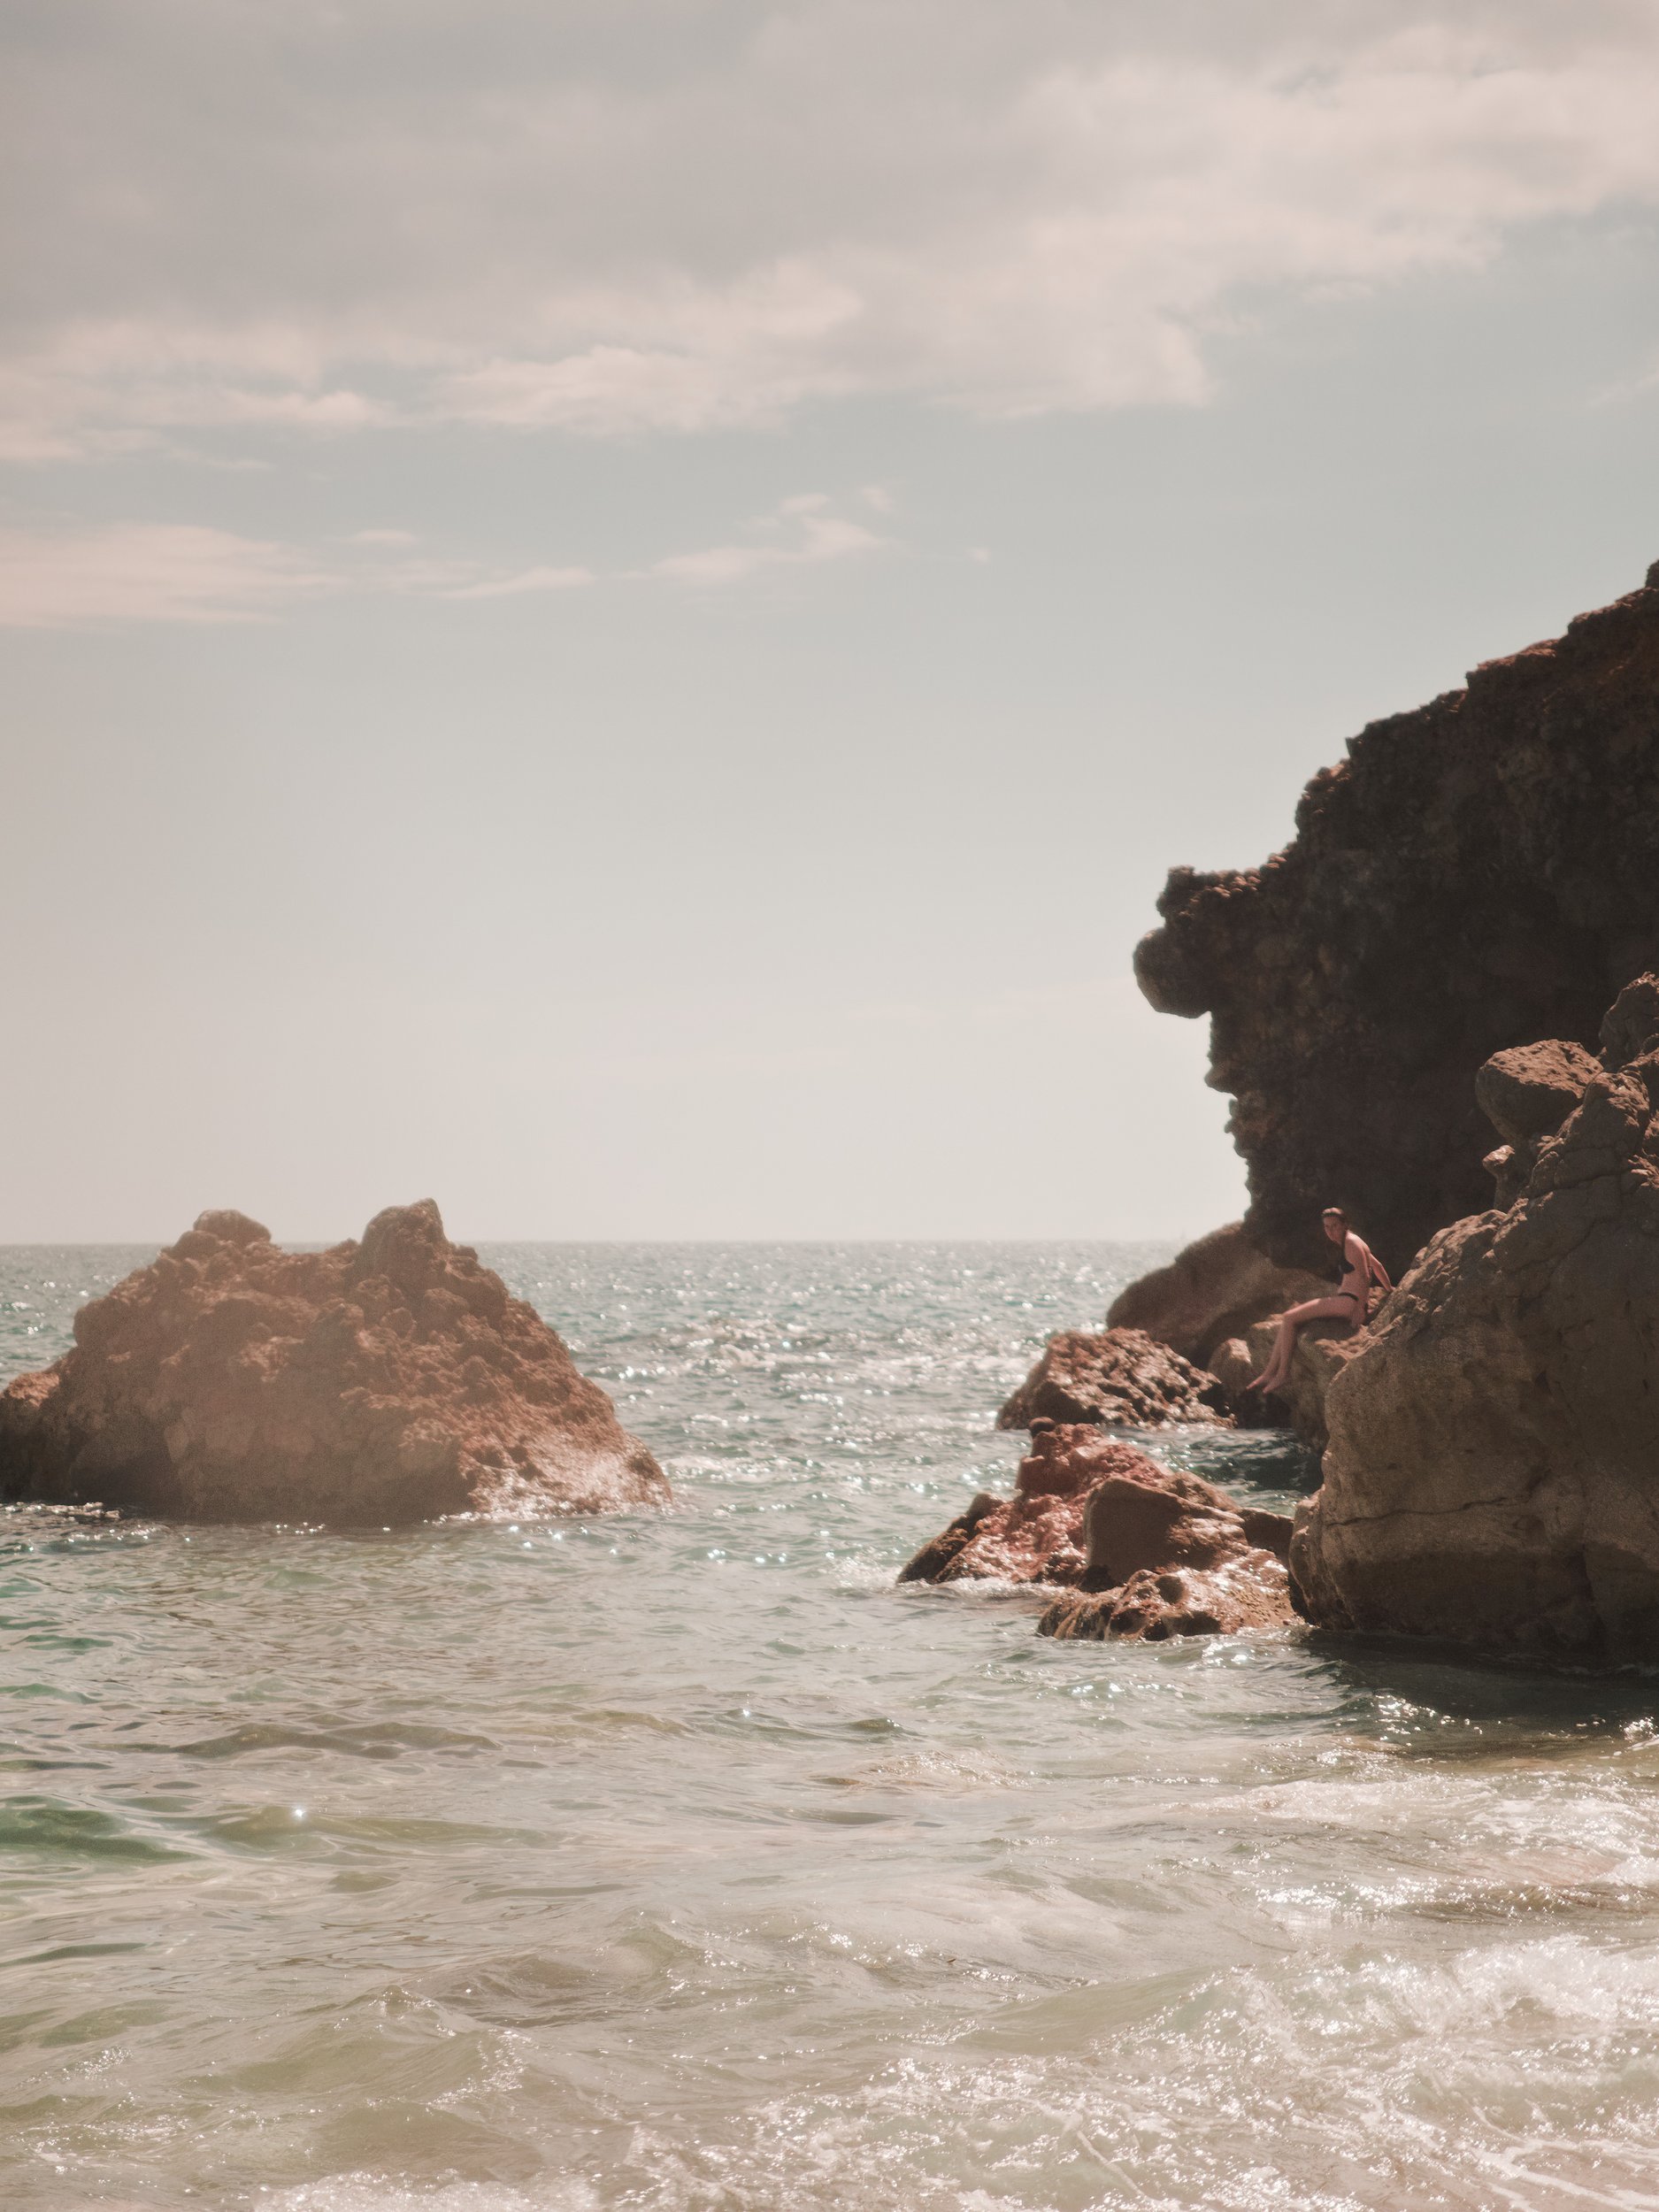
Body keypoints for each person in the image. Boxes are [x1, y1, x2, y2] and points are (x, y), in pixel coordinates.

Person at [1248, 1207, 1392, 1398]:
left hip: (1349, 1303)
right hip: (1348, 1301)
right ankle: (1269, 1373)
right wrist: (1389, 1290)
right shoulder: (1355, 1241)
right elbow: (1378, 1266)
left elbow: (1366, 1276)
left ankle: (1282, 1374)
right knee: (1290, 1316)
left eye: (1335, 1226)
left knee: (1290, 1318)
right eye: (1327, 1227)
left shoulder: (1351, 1243)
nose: (1331, 1231)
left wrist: (1359, 1309)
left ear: (1345, 1225)